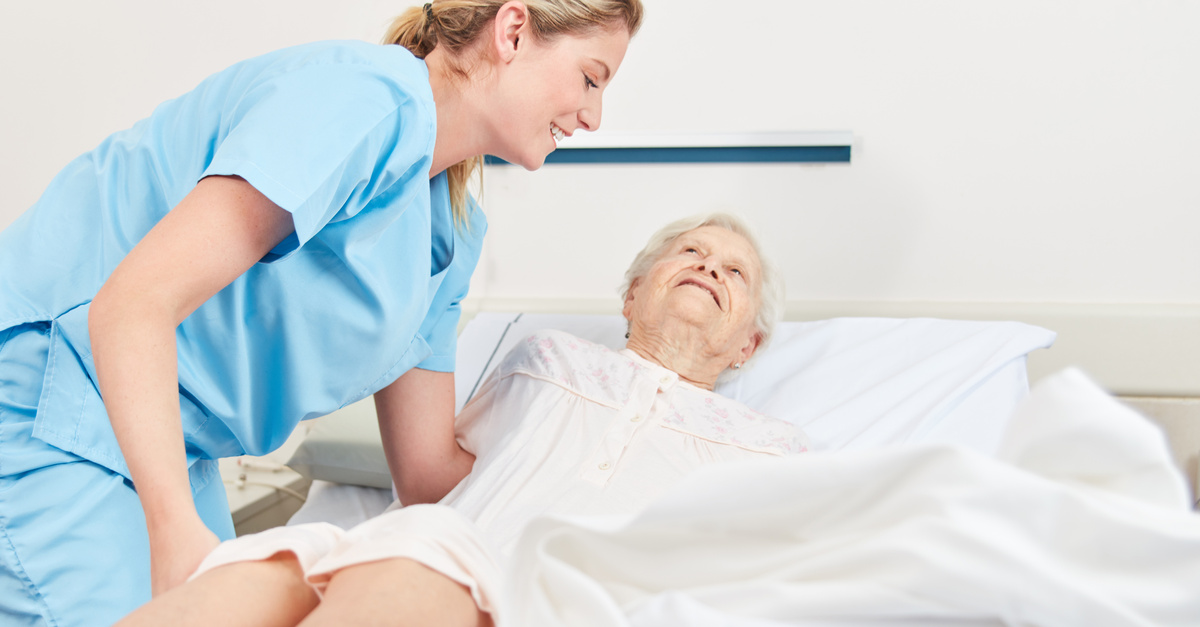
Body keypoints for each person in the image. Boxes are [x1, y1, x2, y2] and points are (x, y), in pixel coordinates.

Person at [0, 1, 643, 624]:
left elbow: (425, 473)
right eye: (591, 78)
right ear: (512, 32)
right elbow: (133, 306)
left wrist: (597, 477)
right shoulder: (361, 101)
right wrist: (172, 534)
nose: (593, 115)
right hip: (53, 396)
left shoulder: (451, 230)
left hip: (164, 444)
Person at [115, 213, 808, 627]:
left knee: (419, 544)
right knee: (279, 559)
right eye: (689, 253)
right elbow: (439, 471)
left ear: (749, 344)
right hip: (439, 545)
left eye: (734, 273)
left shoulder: (775, 453)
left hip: (549, 597)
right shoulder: (545, 360)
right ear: (631, 296)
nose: (708, 268)